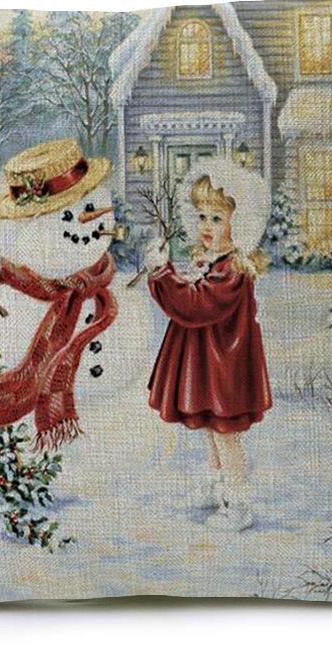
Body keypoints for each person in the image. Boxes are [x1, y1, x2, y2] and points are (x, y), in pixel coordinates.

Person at [146, 164, 272, 531]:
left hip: (225, 368)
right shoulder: (213, 261)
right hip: (209, 365)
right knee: (212, 430)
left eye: (217, 218)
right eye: (202, 216)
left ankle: (238, 501)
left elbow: (195, 304)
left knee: (225, 433)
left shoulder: (232, 270)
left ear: (239, 223)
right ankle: (218, 487)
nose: (206, 225)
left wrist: (163, 274)